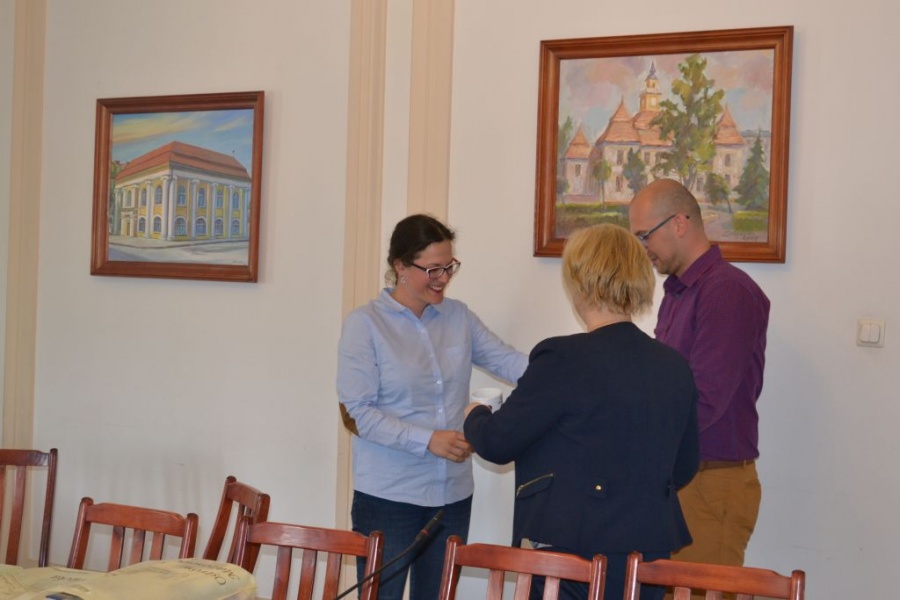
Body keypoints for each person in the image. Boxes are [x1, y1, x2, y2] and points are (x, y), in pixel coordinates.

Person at [464, 223, 699, 600]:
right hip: (648, 553)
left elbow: (496, 442)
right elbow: (684, 466)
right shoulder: (674, 366)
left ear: (580, 282)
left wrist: (474, 414)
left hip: (570, 554)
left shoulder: (562, 358)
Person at [337, 214, 528, 600]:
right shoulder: (365, 324)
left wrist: (565, 368)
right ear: (400, 266)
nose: (443, 278)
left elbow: (510, 362)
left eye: (449, 266)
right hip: (388, 497)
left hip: (452, 496)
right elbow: (358, 413)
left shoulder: (459, 317)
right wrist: (427, 440)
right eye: (433, 269)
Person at [628, 178, 770, 573]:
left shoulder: (726, 291)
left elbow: (704, 401)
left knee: (699, 593)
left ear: (679, 223)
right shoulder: (679, 291)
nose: (642, 248)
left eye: (644, 236)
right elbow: (663, 385)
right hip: (681, 477)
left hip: (710, 480)